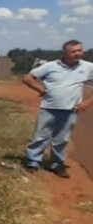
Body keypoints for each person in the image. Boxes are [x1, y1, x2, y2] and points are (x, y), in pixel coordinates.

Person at [23, 39, 93, 178]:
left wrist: (88, 102)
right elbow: (28, 78)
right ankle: (33, 161)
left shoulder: (88, 67)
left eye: (79, 50)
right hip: (49, 108)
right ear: (65, 53)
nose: (77, 53)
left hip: (71, 110)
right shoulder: (50, 66)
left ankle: (57, 164)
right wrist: (41, 90)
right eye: (73, 51)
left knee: (61, 139)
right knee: (40, 136)